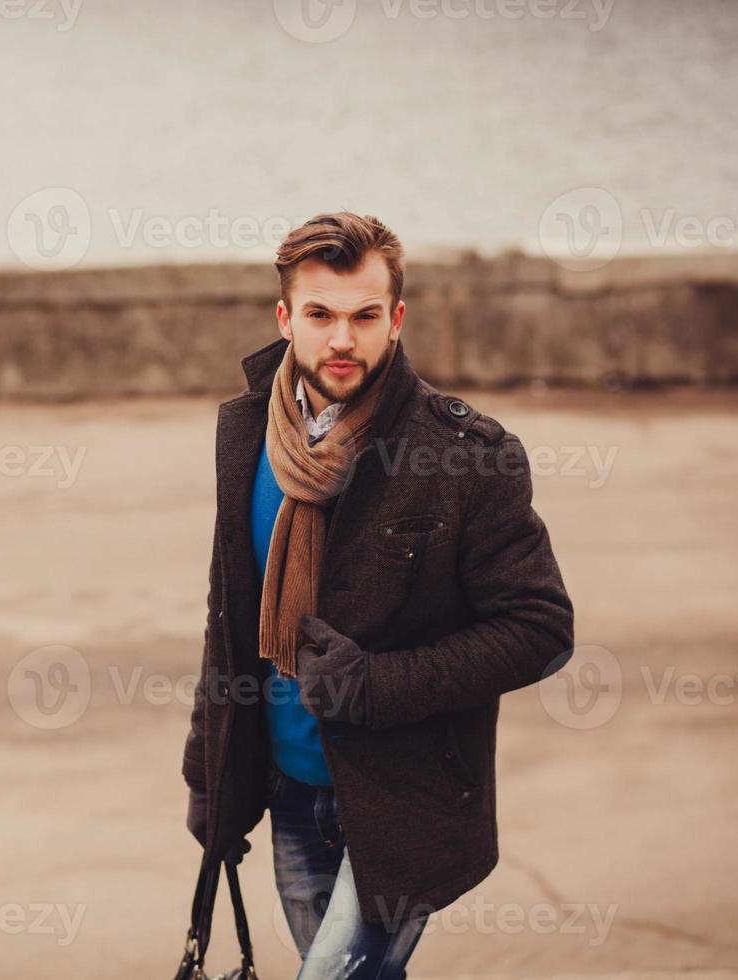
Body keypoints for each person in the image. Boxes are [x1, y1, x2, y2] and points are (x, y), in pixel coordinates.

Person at [182, 212, 575, 979]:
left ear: (395, 320)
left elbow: (540, 628)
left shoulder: (463, 457)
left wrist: (375, 683)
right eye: (320, 315)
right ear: (284, 318)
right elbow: (224, 621)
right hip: (289, 788)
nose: (341, 340)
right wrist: (210, 777)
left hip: (405, 801)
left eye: (364, 316)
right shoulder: (245, 437)